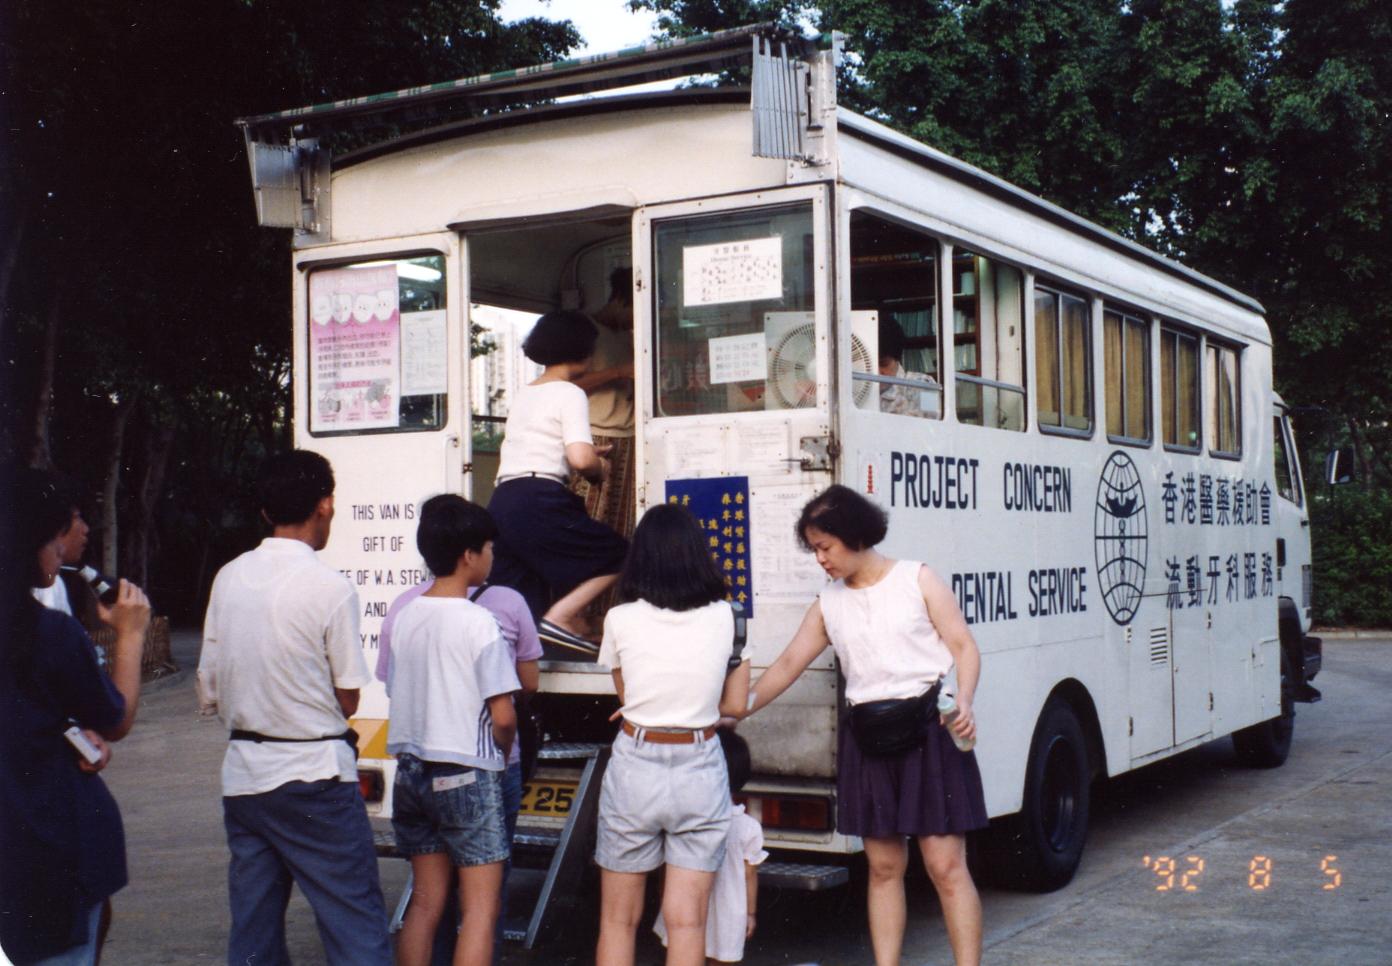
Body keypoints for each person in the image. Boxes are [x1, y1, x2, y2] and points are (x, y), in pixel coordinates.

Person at [743, 485, 986, 966]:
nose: (821, 559)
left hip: (928, 730)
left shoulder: (917, 579)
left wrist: (967, 699)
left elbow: (963, 645)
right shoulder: (829, 602)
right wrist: (735, 709)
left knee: (945, 865)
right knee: (883, 866)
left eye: (825, 546)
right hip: (869, 736)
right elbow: (789, 663)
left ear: (854, 536)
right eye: (814, 549)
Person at [196, 450, 391, 966]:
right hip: (315, 778)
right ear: (324, 505)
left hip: (243, 777)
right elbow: (349, 695)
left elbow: (210, 688)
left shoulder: (229, 578)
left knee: (254, 932)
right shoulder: (329, 587)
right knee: (354, 923)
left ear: (264, 511)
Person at [0, 468, 150, 966]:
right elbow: (116, 719)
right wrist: (129, 636)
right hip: (45, 853)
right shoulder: (48, 634)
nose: (61, 550)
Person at [594, 504, 752, 966]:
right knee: (687, 921)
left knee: (618, 919)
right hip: (700, 762)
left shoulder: (620, 618)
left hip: (636, 762)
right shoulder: (730, 617)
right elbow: (736, 707)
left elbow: (626, 696)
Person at [385, 495, 520, 966]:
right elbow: (503, 716)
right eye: (488, 548)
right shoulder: (479, 622)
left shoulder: (405, 615)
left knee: (424, 902)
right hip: (467, 772)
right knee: (480, 909)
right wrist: (503, 756)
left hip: (411, 773)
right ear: (468, 555)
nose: (492, 556)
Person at [487, 309, 628, 654]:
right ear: (583, 350)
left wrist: (582, 450)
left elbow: (542, 444)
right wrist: (599, 468)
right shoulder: (570, 393)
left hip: (504, 499)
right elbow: (581, 460)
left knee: (525, 593)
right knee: (620, 553)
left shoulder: (524, 393)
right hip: (541, 497)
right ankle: (562, 618)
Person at [653, 729, 766, 965]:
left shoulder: (682, 819)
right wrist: (751, 912)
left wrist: (664, 902)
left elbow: (667, 871)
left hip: (684, 909)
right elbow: (749, 875)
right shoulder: (747, 827)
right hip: (729, 914)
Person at [570, 267, 637, 542]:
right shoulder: (584, 331)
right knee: (589, 525)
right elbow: (565, 386)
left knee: (623, 530)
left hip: (630, 438)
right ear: (621, 299)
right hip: (594, 438)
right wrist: (619, 372)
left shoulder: (627, 336)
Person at [877, 316, 940, 418]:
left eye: (883, 364)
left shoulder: (924, 384)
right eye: (869, 365)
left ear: (897, 359)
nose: (877, 371)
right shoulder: (855, 389)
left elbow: (934, 425)